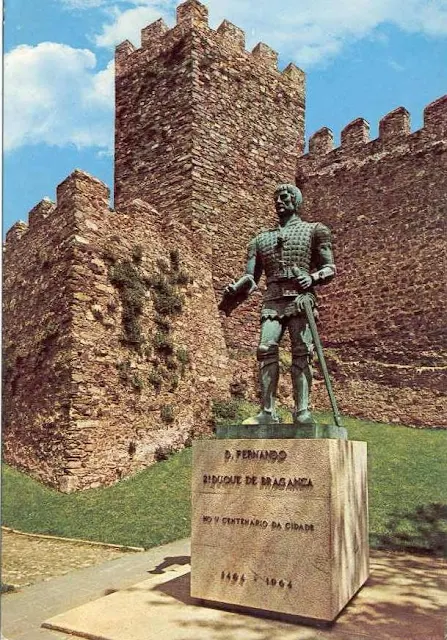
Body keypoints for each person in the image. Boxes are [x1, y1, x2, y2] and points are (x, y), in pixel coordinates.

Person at [220, 184, 336, 425]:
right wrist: (236, 289)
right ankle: (267, 411)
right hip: (273, 299)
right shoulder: (260, 240)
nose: (279, 202)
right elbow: (251, 277)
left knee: (302, 351)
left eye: (284, 197)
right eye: (276, 198)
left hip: (301, 298)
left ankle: (302, 410)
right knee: (265, 349)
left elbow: (329, 268)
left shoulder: (315, 231)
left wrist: (313, 278)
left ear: (295, 201)